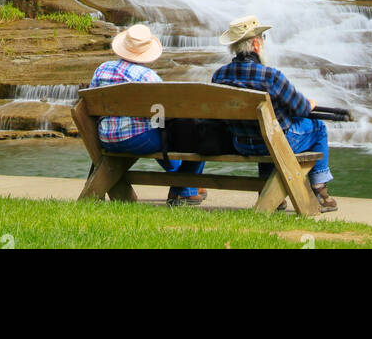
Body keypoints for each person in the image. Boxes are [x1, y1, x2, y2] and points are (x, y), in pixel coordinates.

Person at [211, 14, 337, 211]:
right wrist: (310, 104)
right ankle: (320, 189)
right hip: (271, 143)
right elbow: (301, 108)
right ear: (255, 44)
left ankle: (270, 193)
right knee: (317, 127)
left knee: (267, 130)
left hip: (241, 143)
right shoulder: (270, 76)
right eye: (263, 39)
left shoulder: (219, 75)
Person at [89, 23, 206, 207]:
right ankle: (185, 189)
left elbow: (92, 103)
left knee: (160, 134)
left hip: (105, 138)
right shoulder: (148, 77)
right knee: (190, 136)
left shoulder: (102, 69)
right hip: (138, 140)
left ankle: (187, 184)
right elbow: (161, 114)